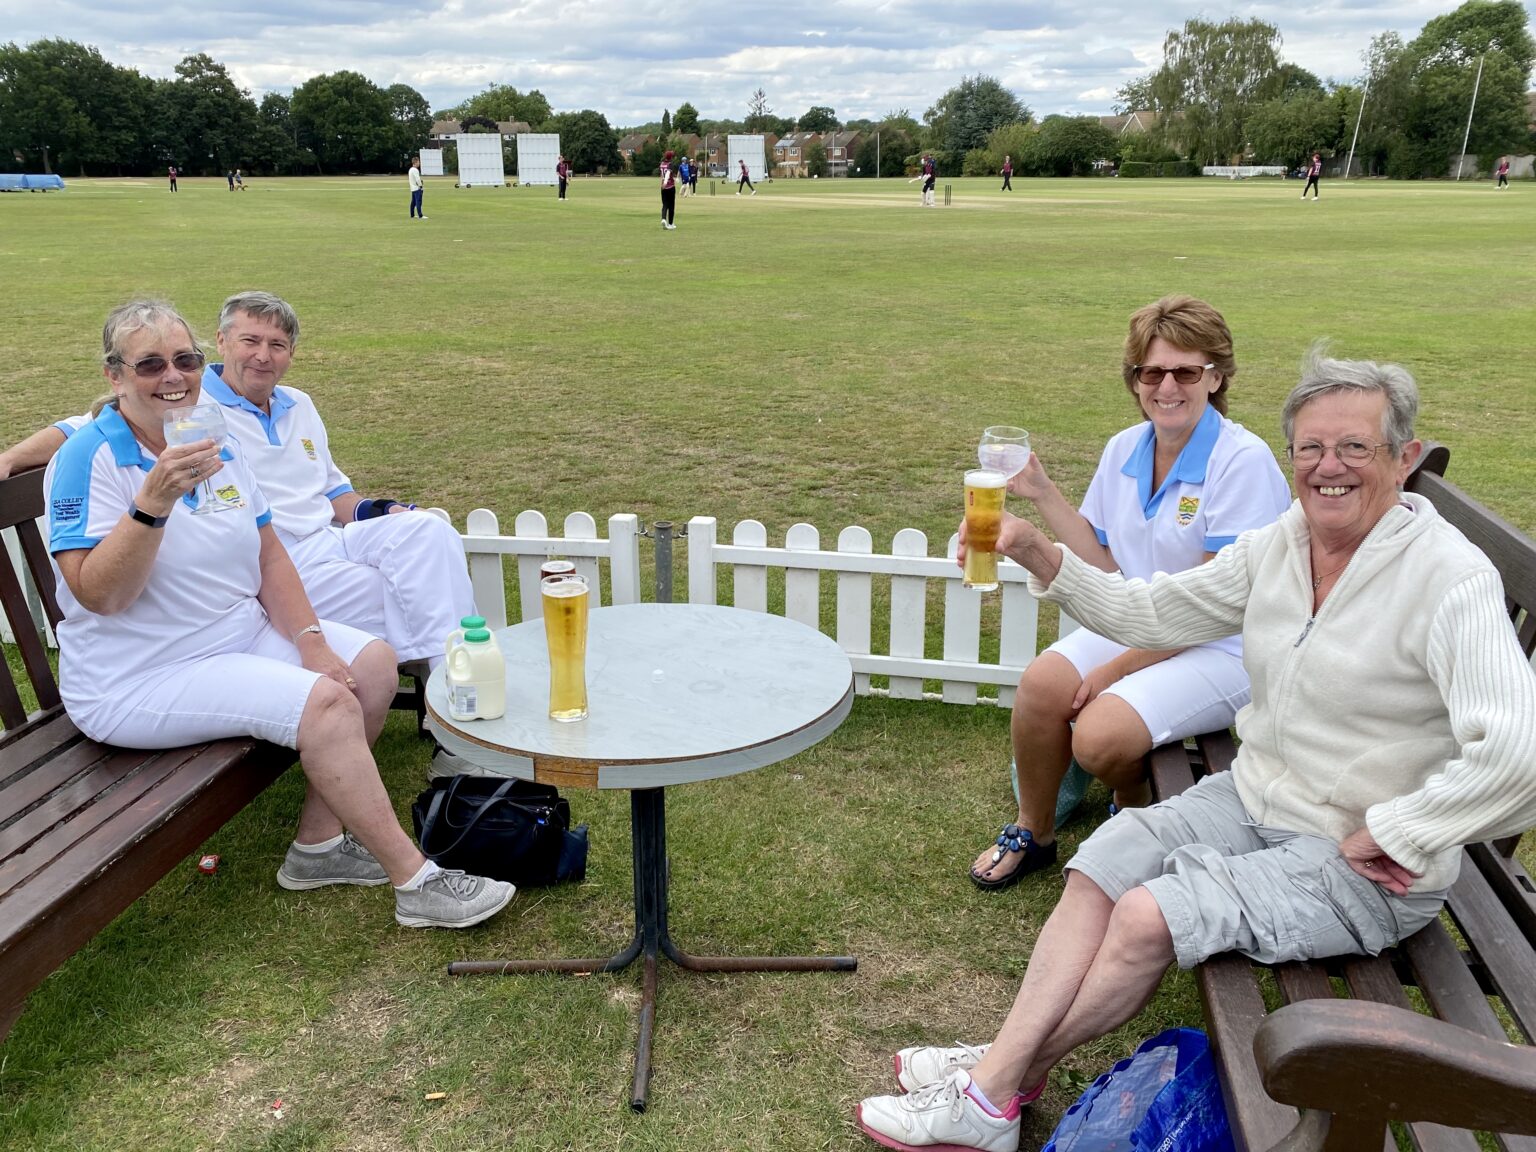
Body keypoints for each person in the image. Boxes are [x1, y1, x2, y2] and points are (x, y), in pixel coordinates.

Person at [856, 350, 1536, 1150]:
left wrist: (1403, 829)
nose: (1329, 468)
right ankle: (1004, 1074)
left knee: (1149, 913)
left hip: (1366, 863)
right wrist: (1041, 554)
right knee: (1104, 859)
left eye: (1356, 447)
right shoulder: (1284, 541)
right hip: (1258, 796)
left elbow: (1517, 755)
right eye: (1311, 448)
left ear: (1405, 458)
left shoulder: (1448, 578)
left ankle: (990, 1089)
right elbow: (1152, 615)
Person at [43, 301, 516, 929]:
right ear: (115, 376)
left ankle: (316, 849)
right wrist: (152, 503)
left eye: (185, 360)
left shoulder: (210, 439)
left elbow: (269, 555)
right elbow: (99, 596)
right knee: (326, 704)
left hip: (229, 632)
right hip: (138, 671)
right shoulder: (86, 459)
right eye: (150, 364)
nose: (173, 376)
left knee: (370, 665)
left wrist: (313, 641)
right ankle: (418, 882)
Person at [968, 296, 1290, 891]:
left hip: (1224, 644)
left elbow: (1220, 606)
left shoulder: (1242, 461)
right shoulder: (1125, 448)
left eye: (1186, 372)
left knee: (1099, 735)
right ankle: (1034, 830)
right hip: (1143, 619)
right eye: (1151, 372)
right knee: (1042, 686)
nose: (1167, 386)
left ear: (1216, 377)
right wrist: (1040, 492)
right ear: (1135, 379)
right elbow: (1104, 559)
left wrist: (1120, 666)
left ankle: (1133, 799)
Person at [1, 291, 476, 681]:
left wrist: (383, 511)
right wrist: (11, 458)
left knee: (430, 532)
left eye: (277, 344)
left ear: (292, 354)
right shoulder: (185, 395)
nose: (263, 355)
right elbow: (79, 426)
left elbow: (336, 496)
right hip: (275, 555)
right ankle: (453, 695)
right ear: (223, 342)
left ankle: (448, 686)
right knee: (407, 595)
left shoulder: (299, 404)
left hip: (329, 539)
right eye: (250, 340)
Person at [660, 150, 678, 230]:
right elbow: (667, 173)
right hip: (670, 187)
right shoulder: (670, 164)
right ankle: (670, 224)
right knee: (671, 206)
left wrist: (663, 183)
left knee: (665, 204)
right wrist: (666, 182)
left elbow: (662, 175)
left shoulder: (662, 164)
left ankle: (663, 219)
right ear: (671, 157)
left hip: (663, 188)